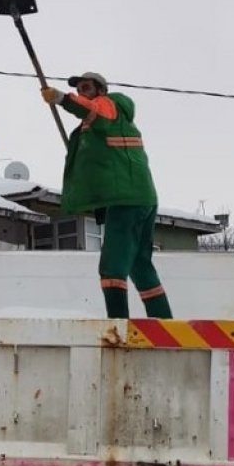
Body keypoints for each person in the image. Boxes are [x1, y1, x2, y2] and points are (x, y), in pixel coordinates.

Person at [41, 71, 172, 320]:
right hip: (140, 198)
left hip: (126, 199)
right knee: (139, 264)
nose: (82, 92)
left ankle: (118, 325)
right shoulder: (100, 126)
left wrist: (62, 98)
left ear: (101, 90)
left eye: (86, 87)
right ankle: (164, 322)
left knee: (111, 267)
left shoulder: (109, 106)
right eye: (78, 89)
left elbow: (92, 109)